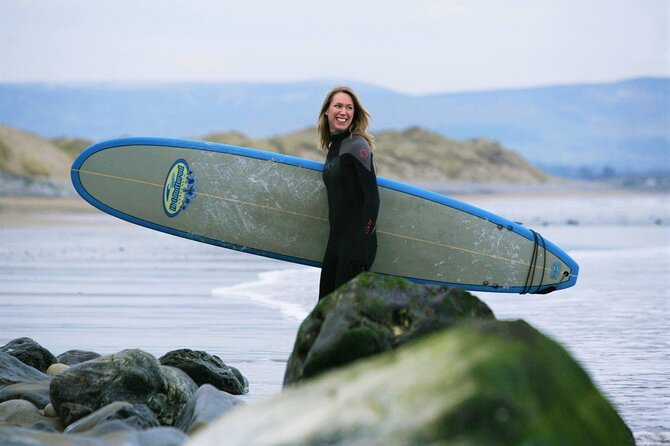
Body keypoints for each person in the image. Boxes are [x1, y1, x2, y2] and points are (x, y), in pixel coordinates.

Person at [317, 86, 380, 300]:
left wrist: (361, 245)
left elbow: (372, 198)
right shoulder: (335, 146)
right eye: (338, 106)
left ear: (355, 113)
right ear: (327, 110)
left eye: (349, 107)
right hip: (336, 241)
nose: (344, 112)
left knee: (343, 312)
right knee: (325, 308)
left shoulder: (357, 145)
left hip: (355, 243)